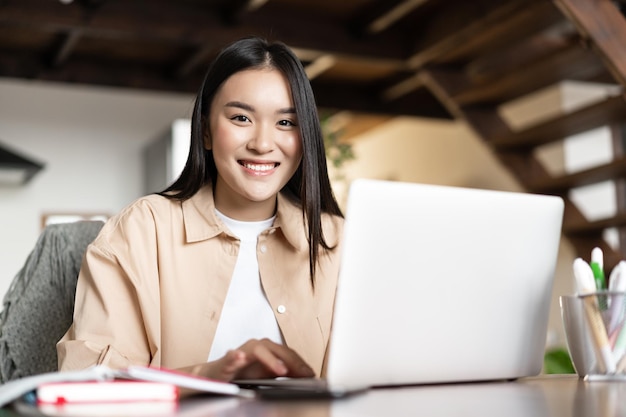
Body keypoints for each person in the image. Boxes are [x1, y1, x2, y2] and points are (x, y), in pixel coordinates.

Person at [57, 36, 344, 382]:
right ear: (206, 131)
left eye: (286, 123)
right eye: (241, 118)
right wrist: (208, 375)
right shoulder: (142, 229)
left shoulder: (339, 242)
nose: (263, 143)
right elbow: (90, 381)